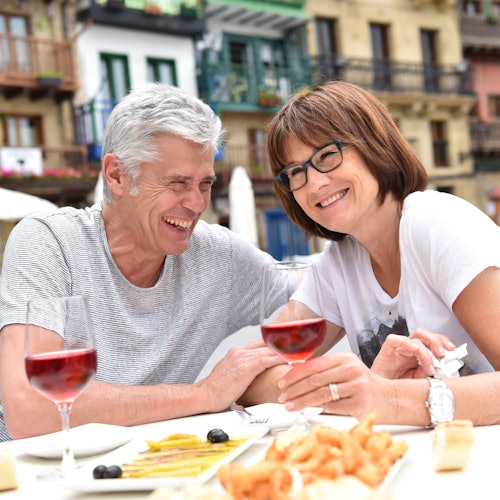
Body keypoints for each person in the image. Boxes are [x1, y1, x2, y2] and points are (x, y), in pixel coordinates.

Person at [0, 83, 290, 441]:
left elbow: (320, 293)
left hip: (155, 467)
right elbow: (33, 410)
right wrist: (206, 394)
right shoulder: (49, 242)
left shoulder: (221, 256)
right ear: (117, 175)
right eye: (178, 183)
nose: (197, 203)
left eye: (204, 184)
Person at [263, 80, 500, 427]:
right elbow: (256, 374)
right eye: (295, 173)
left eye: (327, 156)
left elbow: (373, 398)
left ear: (374, 145)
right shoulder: (337, 262)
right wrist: (363, 387)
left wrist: (385, 397)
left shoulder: (436, 222)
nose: (314, 183)